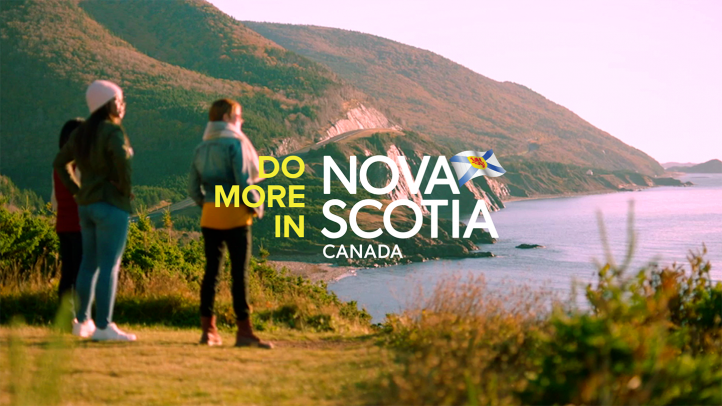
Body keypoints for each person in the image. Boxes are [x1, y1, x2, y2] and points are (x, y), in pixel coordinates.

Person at [53, 80, 136, 341]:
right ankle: (104, 325)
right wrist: (124, 188)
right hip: (110, 205)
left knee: (87, 265)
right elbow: (122, 162)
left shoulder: (81, 133)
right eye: (119, 101)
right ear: (109, 104)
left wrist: (78, 191)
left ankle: (82, 321)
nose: (122, 105)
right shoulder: (112, 131)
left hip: (86, 207)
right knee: (109, 265)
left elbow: (60, 163)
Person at [189, 98, 271, 349]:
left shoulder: (202, 147)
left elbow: (193, 188)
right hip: (235, 213)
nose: (241, 120)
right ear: (226, 117)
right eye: (238, 116)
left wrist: (207, 203)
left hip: (210, 215)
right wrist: (256, 206)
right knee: (239, 274)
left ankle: (208, 332)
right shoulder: (236, 143)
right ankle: (244, 332)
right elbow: (244, 181)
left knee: (211, 274)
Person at [52, 119, 84, 315]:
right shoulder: (79, 166)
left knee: (68, 274)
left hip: (63, 225)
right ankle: (80, 316)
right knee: (82, 273)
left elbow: (54, 200)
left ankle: (65, 315)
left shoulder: (58, 165)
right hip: (80, 226)